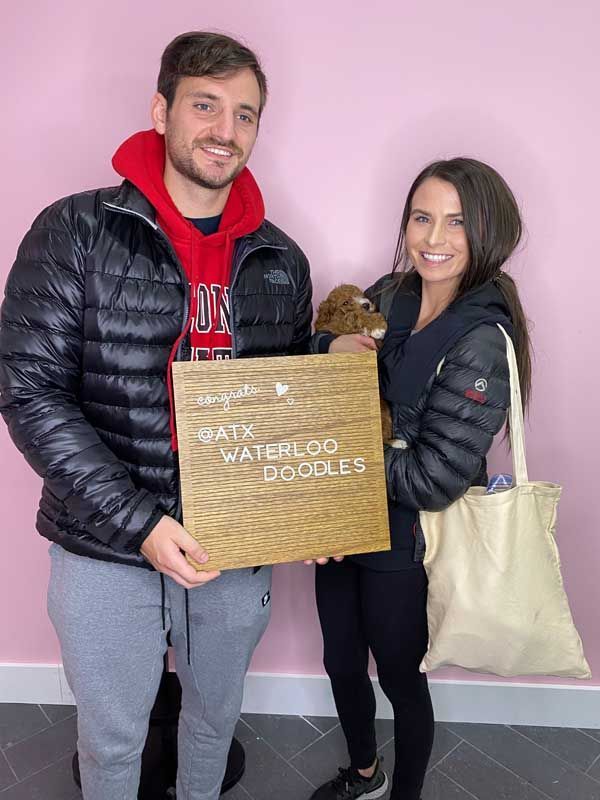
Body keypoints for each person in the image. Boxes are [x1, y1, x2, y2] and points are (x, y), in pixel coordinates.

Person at [0, 31, 312, 800]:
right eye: (205, 105)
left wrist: (315, 509)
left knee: (213, 720)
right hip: (105, 541)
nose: (225, 130)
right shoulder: (73, 231)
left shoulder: (282, 259)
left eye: (245, 114)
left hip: (234, 543)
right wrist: (139, 519)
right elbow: (30, 394)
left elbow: (288, 405)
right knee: (111, 742)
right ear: (161, 108)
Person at [309, 157, 532, 800]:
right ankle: (365, 775)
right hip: (342, 524)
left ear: (489, 232)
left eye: (457, 223)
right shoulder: (388, 293)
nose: (434, 238)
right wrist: (328, 351)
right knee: (340, 661)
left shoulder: (484, 337)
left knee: (401, 679)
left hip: (409, 544)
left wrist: (338, 457)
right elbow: (316, 347)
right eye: (423, 218)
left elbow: (436, 478)